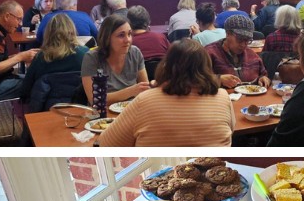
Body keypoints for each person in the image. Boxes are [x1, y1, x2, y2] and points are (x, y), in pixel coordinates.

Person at [99, 39, 234, 146]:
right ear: (207, 66)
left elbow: (106, 143)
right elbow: (229, 133)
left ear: (166, 65)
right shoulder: (223, 97)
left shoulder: (144, 101)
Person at [19, 14, 89, 108]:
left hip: (46, 109)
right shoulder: (85, 53)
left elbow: (26, 90)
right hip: (81, 107)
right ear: (72, 31)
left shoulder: (41, 57)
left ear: (48, 33)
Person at [81, 14, 150, 107]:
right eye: (121, 35)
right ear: (107, 38)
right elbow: (95, 100)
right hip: (103, 114)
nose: (127, 40)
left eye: (129, 34)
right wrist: (131, 91)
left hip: (132, 111)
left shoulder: (135, 53)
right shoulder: (92, 58)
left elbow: (145, 91)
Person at [205, 15, 269, 89]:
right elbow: (195, 79)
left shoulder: (251, 55)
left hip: (250, 98)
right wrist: (218, 79)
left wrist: (263, 78)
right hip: (223, 98)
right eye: (240, 39)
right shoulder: (209, 53)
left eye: (247, 40)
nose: (243, 45)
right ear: (228, 34)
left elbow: (263, 74)